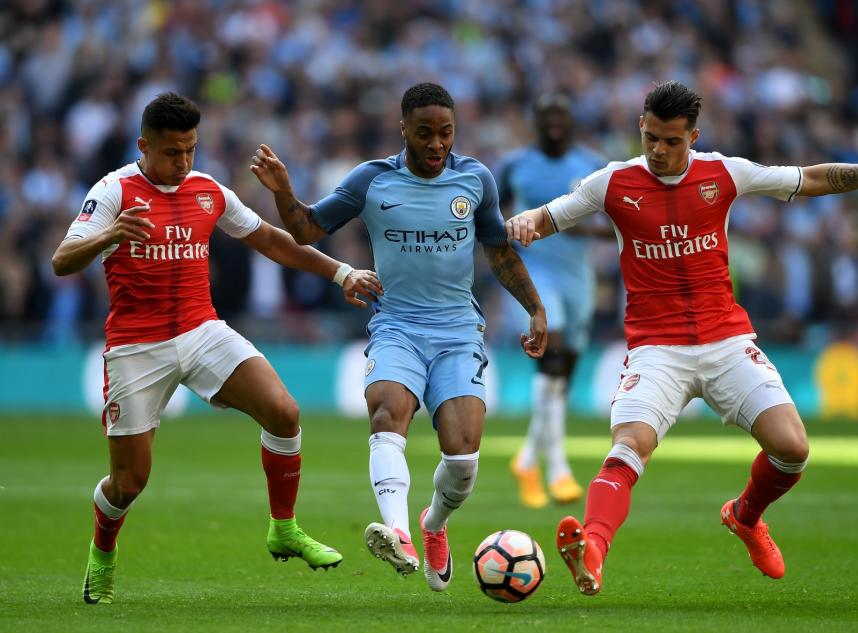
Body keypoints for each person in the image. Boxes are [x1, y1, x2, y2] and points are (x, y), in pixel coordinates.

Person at [505, 80, 858, 595]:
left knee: (792, 449)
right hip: (656, 349)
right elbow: (552, 215)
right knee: (628, 447)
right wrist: (525, 223)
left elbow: (811, 179)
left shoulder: (724, 173)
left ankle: (745, 515)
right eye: (650, 139)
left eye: (672, 141)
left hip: (726, 341)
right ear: (640, 130)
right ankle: (593, 550)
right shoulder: (613, 183)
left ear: (694, 135)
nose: (659, 152)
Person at [52, 92, 382, 605]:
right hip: (136, 347)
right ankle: (102, 553)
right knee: (128, 482)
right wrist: (108, 236)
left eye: (190, 150)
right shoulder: (113, 191)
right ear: (144, 145)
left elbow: (273, 240)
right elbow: (61, 261)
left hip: (202, 330)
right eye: (172, 152)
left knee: (283, 412)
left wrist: (340, 270)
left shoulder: (208, 191)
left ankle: (284, 527)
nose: (183, 162)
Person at [250, 82, 547, 593]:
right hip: (396, 325)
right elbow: (307, 229)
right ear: (404, 128)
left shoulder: (475, 179)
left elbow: (499, 251)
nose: (436, 145)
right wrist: (282, 191)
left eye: (446, 134)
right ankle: (400, 532)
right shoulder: (372, 180)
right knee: (387, 415)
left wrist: (535, 309)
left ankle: (434, 525)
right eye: (426, 133)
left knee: (461, 457)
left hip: (457, 329)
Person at [496, 94, 607, 508]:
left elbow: (615, 218)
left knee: (564, 371)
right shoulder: (514, 165)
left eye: (561, 116)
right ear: (535, 123)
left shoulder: (593, 163)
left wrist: (584, 232)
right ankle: (558, 467)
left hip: (578, 275)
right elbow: (490, 210)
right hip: (535, 272)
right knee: (553, 350)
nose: (554, 124)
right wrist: (505, 237)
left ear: (571, 121)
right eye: (546, 118)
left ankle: (526, 458)